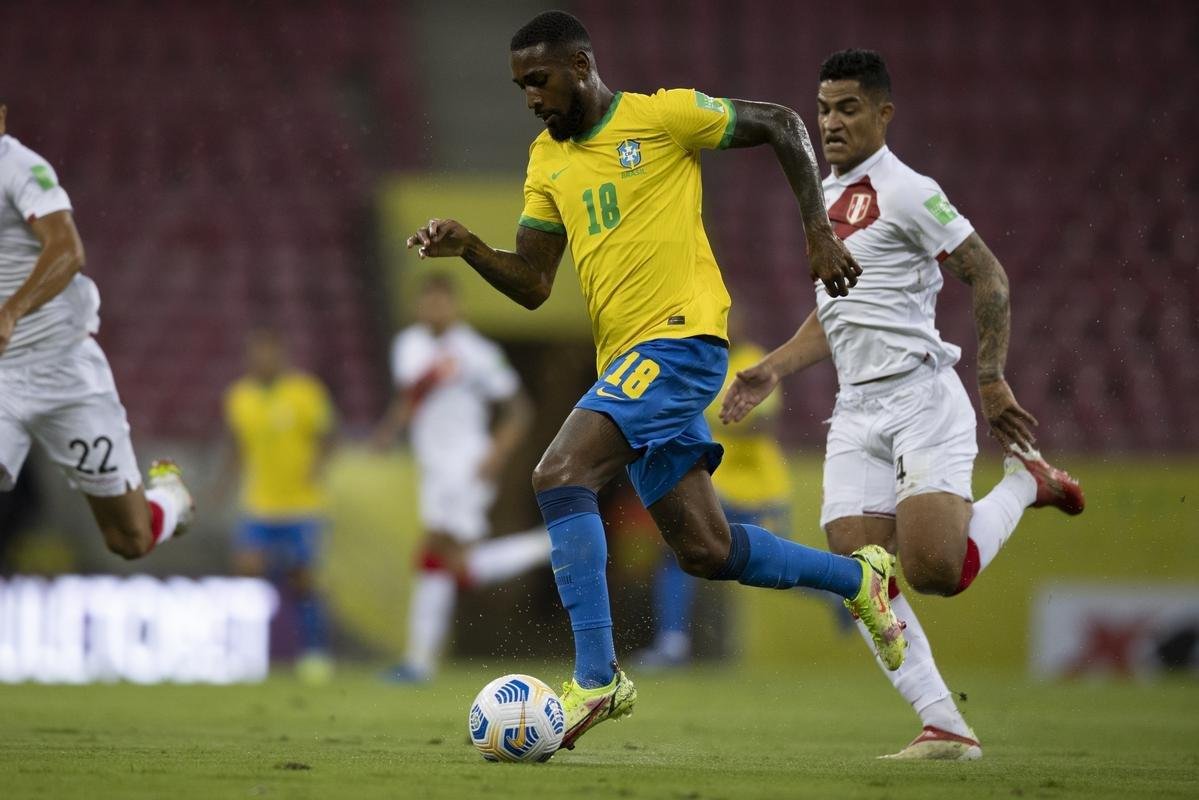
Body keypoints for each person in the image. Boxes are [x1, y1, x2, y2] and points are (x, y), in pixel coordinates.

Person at [405, 11, 906, 751]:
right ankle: (859, 580)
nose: (530, 99)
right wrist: (471, 246)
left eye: (538, 81)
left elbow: (776, 120)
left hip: (681, 340)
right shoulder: (546, 160)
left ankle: (598, 679)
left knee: (558, 472)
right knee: (705, 549)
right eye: (519, 87)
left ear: (580, 65)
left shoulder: (661, 117)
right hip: (628, 363)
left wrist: (818, 229)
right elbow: (535, 284)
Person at [721, 50, 1086, 761]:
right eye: (823, 108)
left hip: (921, 396)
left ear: (884, 114)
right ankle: (944, 724)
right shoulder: (823, 198)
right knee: (858, 572)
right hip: (855, 409)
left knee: (931, 573)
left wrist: (990, 379)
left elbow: (988, 275)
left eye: (847, 108)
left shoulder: (911, 190)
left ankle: (1024, 482)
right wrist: (770, 368)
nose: (829, 122)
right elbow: (836, 315)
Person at [0, 102, 193, 557]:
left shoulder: (21, 168)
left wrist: (12, 310)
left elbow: (68, 251)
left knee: (129, 539)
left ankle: (170, 499)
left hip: (63, 366)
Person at [373, 273, 550, 683]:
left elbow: (519, 411)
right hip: (432, 468)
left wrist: (496, 453)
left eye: (443, 301)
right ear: (419, 306)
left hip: (466, 463)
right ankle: (544, 546)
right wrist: (387, 433)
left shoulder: (478, 352)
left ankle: (417, 663)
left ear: (457, 306)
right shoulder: (408, 345)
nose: (435, 309)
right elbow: (411, 397)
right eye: (429, 301)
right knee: (453, 564)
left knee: (434, 554)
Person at [636, 315, 794, 669]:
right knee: (675, 553)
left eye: (726, 317)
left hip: (758, 490)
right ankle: (673, 643)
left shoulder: (752, 360)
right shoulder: (700, 361)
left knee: (778, 569)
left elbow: (763, 424)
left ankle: (842, 593)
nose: (721, 323)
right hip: (714, 484)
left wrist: (704, 423)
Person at [223, 329, 336, 684]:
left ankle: (315, 654)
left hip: (302, 506)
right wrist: (223, 485)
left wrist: (316, 468)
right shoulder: (238, 396)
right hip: (259, 505)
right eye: (257, 353)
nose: (263, 360)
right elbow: (238, 446)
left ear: (281, 354)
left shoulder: (305, 392)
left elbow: (328, 437)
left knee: (303, 580)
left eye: (269, 352)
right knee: (248, 573)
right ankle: (247, 652)